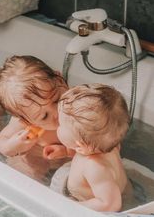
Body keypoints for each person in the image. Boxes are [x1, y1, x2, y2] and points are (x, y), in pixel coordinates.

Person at [0, 55, 74, 183]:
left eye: (57, 99)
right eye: (44, 116)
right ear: (27, 121)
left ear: (61, 80)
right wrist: (13, 145)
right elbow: (1, 143)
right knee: (25, 170)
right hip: (38, 158)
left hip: (69, 161)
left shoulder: (81, 102)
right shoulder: (23, 125)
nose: (57, 112)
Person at [56, 83, 130, 212]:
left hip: (94, 205)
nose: (58, 126)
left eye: (60, 124)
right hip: (125, 190)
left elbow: (110, 204)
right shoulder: (110, 146)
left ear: (79, 146)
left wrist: (71, 208)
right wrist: (64, 151)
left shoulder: (94, 167)